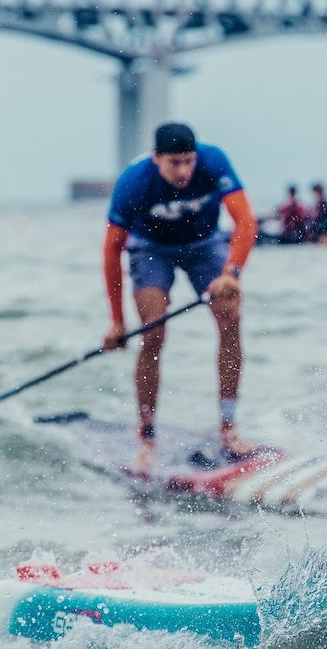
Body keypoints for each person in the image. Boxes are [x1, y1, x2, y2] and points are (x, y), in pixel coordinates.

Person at [101, 122, 260, 470]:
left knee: (231, 317)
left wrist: (232, 273)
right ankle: (146, 437)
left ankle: (229, 427)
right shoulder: (134, 181)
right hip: (151, 249)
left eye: (188, 161)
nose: (184, 171)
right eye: (174, 162)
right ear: (157, 159)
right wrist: (116, 321)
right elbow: (112, 252)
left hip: (204, 246)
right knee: (153, 333)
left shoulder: (213, 162)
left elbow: (245, 221)